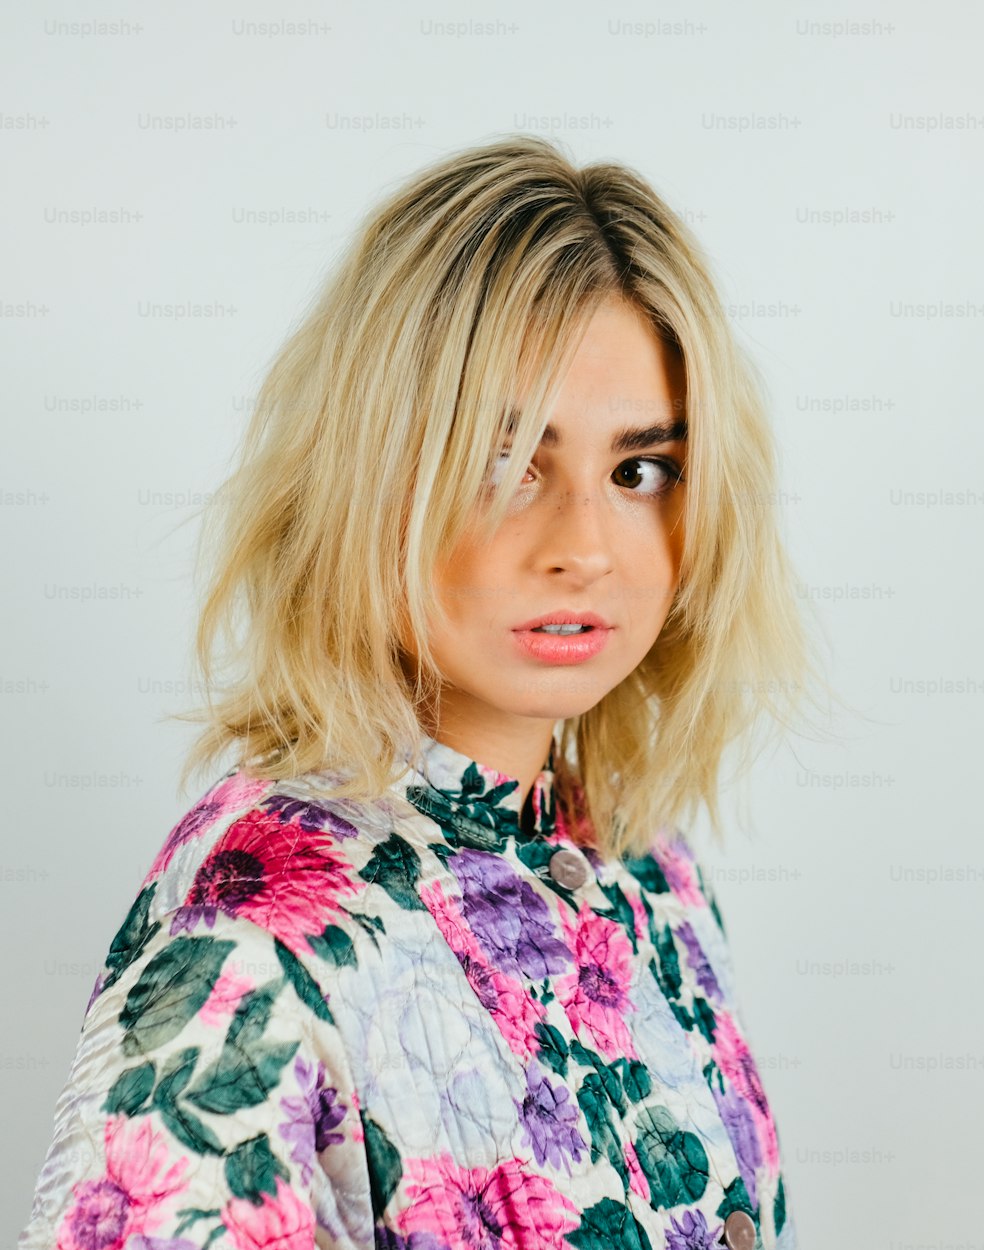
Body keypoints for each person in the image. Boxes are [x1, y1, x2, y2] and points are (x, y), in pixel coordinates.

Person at [18, 134, 837, 1250]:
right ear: (370, 473)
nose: (584, 547)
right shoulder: (253, 945)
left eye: (640, 468)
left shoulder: (650, 867)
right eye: (505, 464)